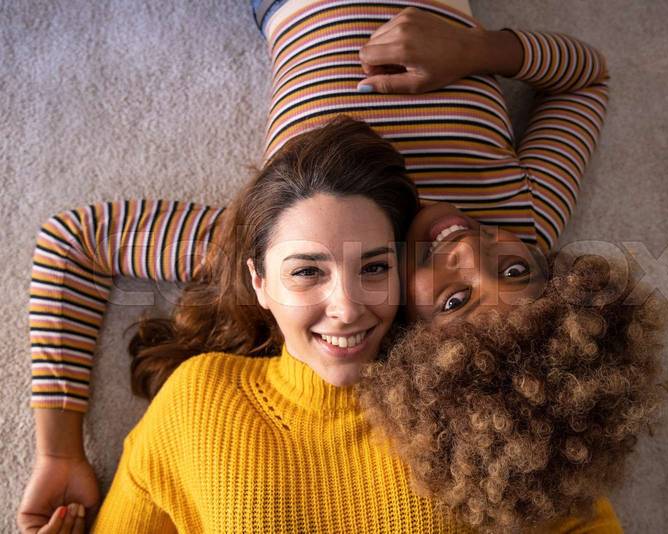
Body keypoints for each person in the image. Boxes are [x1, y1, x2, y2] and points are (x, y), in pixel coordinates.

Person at [18, 1, 624, 532]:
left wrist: (59, 453)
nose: (467, 253)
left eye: (455, 300)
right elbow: (587, 78)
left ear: (415, 341)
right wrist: (479, 49)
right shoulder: (525, 218)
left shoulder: (283, 238)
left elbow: (74, 242)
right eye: (516, 274)